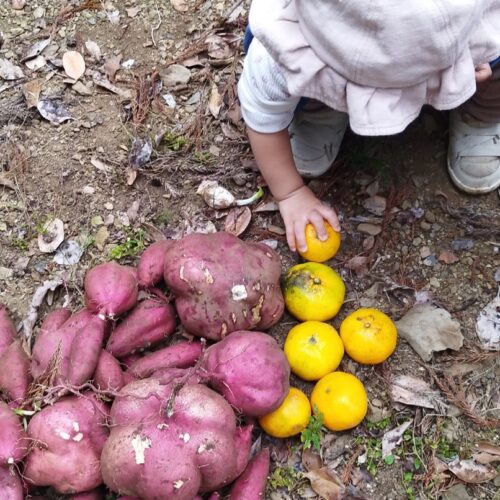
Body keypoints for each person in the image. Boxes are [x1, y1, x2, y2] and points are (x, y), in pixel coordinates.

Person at [237, 0, 500, 253]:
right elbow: (262, 112)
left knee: (495, 63)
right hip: (318, 45)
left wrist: (469, 55)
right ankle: (322, 105)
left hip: (458, 31)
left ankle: (481, 115)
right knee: (298, 82)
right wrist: (290, 192)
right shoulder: (281, 51)